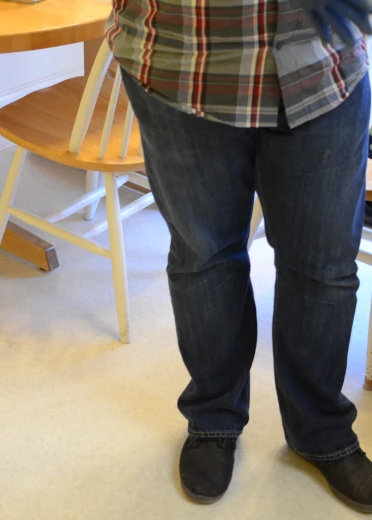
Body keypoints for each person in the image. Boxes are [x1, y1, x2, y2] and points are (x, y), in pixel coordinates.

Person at [106, 0, 372, 511]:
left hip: (324, 64)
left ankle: (321, 429)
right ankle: (213, 419)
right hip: (181, 61)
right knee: (204, 259)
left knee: (325, 270)